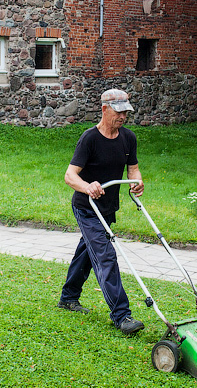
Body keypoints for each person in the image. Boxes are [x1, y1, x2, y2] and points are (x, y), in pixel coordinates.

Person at [57, 88, 146, 334]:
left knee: (87, 251)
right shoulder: (90, 139)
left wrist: (136, 181)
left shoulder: (128, 138)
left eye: (126, 113)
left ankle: (68, 298)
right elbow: (70, 175)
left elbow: (133, 169)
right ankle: (122, 316)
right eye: (119, 112)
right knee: (105, 256)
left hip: (107, 208)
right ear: (105, 109)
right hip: (87, 208)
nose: (123, 117)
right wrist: (88, 187)